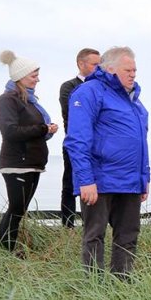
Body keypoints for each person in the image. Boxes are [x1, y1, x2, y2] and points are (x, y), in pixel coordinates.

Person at [64, 46, 149, 276]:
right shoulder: (89, 92)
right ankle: (94, 289)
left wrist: (144, 177)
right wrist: (85, 180)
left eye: (134, 70)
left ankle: (121, 286)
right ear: (109, 68)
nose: (133, 74)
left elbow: (141, 143)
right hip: (99, 180)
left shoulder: (136, 103)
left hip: (129, 182)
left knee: (129, 236)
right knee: (95, 236)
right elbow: (77, 140)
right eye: (127, 70)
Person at [0, 50, 59, 254]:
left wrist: (46, 130)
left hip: (32, 163)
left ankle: (11, 250)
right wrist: (43, 129)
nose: (37, 79)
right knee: (16, 209)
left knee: (19, 210)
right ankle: (8, 252)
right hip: (17, 164)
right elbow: (10, 132)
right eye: (34, 75)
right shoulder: (6, 100)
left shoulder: (29, 101)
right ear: (20, 76)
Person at [58, 47, 100, 228]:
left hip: (97, 147)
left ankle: (91, 225)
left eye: (101, 65)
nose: (99, 68)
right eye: (94, 64)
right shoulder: (69, 86)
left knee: (95, 185)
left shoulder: (102, 88)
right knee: (69, 185)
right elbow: (73, 115)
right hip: (75, 144)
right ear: (81, 64)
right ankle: (67, 226)